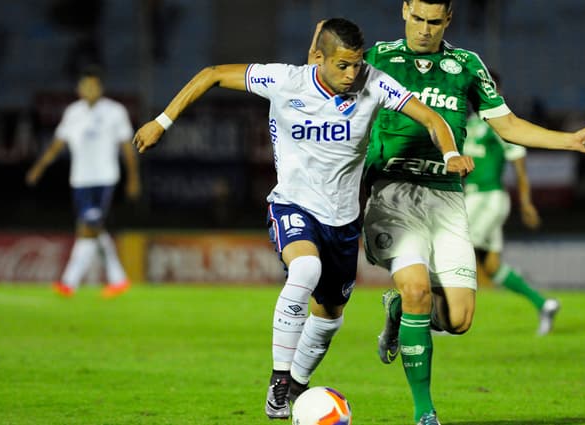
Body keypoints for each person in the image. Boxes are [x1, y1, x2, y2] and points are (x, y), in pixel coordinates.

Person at [132, 18, 474, 420]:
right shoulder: (285, 81)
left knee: (329, 317)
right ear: (318, 58)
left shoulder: (375, 82)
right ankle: (279, 379)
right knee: (305, 268)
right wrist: (162, 121)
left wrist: (450, 153)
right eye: (342, 65)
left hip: (343, 222)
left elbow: (431, 118)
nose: (352, 74)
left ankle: (295, 384)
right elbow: (212, 75)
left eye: (357, 64)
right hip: (293, 206)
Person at [308, 3, 585, 425]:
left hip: (447, 199)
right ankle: (424, 412)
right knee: (416, 289)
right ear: (404, 10)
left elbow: (509, 125)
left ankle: (398, 314)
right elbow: (321, 84)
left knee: (459, 319)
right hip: (393, 191)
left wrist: (570, 140)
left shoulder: (465, 65)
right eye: (418, 19)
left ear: (448, 20)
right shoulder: (377, 59)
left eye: (434, 22)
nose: (424, 30)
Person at [26, 65, 140, 298]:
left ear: (100, 88)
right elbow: (58, 144)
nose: (89, 90)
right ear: (79, 89)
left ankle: (69, 282)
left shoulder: (115, 111)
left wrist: (133, 178)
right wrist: (39, 167)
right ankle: (118, 279)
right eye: (85, 86)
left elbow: (127, 147)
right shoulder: (73, 112)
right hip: (80, 180)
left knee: (88, 227)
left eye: (94, 86)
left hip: (105, 178)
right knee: (95, 229)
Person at [463, 71, 560, 336]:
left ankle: (449, 317)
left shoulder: (500, 123)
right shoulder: (470, 124)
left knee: (455, 250)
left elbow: (519, 163)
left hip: (487, 198)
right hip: (473, 198)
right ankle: (544, 303)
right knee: (492, 267)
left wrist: (527, 203)